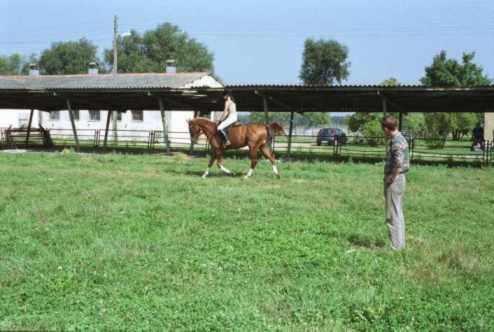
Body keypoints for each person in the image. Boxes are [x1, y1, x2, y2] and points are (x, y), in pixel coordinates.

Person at [382, 115, 410, 250]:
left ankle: (395, 247)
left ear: (387, 129)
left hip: (395, 180)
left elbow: (398, 162)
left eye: (384, 130)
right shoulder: (401, 138)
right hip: (400, 179)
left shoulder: (396, 141)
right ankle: (400, 244)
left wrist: (391, 177)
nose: (384, 133)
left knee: (392, 214)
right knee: (397, 212)